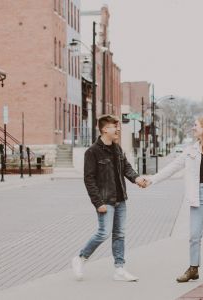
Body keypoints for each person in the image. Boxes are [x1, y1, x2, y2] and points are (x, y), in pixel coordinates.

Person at [145, 116, 203, 285]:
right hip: (197, 195)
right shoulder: (191, 149)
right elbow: (173, 167)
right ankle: (193, 269)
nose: (193, 128)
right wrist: (152, 179)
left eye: (196, 125)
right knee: (194, 235)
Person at [71, 114, 146, 282]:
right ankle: (81, 258)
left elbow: (126, 168)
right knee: (104, 233)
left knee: (119, 234)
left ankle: (119, 269)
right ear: (105, 129)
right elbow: (89, 179)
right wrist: (98, 203)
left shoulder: (117, 149)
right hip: (105, 200)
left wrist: (137, 179)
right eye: (114, 126)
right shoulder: (93, 152)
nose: (118, 128)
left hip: (120, 199)